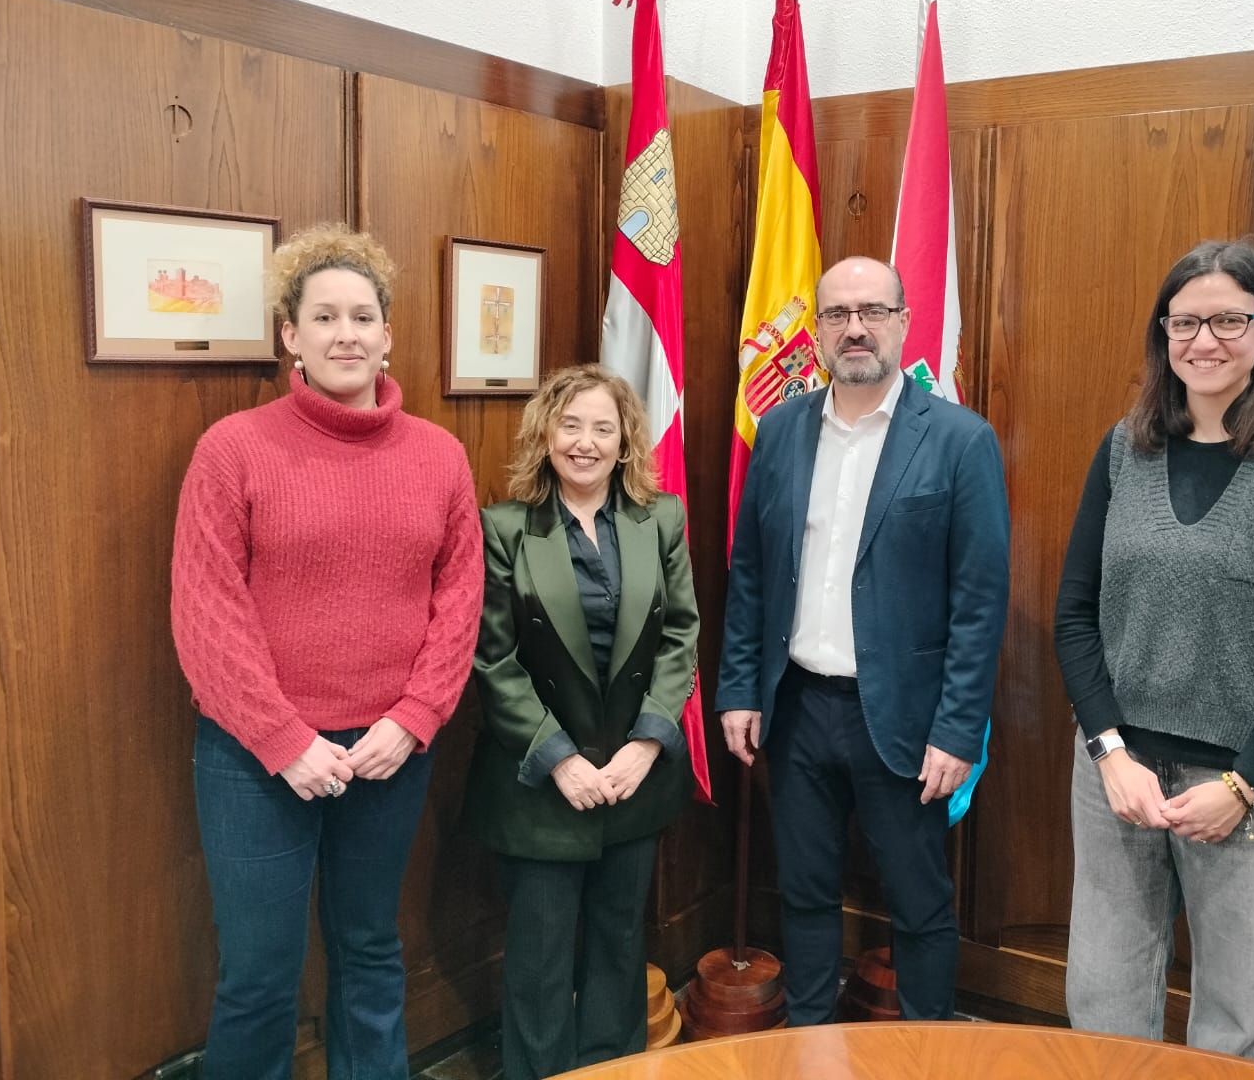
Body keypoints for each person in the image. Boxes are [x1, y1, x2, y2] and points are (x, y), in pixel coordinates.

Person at [171, 224, 484, 1078]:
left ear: (388, 333)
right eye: (324, 317)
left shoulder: (440, 456)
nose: (345, 333)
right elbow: (207, 615)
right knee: (259, 979)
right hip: (254, 761)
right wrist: (285, 741)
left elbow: (459, 601)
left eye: (362, 316)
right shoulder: (233, 449)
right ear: (290, 337)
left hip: (389, 754)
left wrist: (415, 719)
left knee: (371, 956)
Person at [1053, 238, 1254, 1063]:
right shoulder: (1126, 448)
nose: (1205, 341)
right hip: (1118, 779)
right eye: (1185, 321)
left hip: (1252, 792)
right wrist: (1109, 752)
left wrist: (1246, 780)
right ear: (1164, 335)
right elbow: (1074, 615)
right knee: (1104, 1010)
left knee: (1235, 1028)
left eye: (1229, 320)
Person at [716, 256, 1011, 1024]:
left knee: (919, 906)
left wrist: (958, 732)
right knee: (805, 894)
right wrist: (740, 688)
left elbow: (980, 604)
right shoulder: (779, 432)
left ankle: (926, 1058)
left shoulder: (958, 441)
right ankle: (808, 1050)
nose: (855, 328)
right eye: (839, 314)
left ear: (903, 324)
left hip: (907, 722)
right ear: (816, 331)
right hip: (798, 708)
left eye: (873, 311)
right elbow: (750, 573)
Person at [460, 363, 699, 1080]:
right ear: (546, 434)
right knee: (538, 957)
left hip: (634, 778)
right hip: (539, 784)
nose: (586, 442)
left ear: (626, 440)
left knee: (620, 946)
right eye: (571, 425)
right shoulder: (504, 529)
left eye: (603, 427)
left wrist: (647, 746)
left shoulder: (661, 519)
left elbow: (681, 635)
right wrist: (559, 758)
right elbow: (491, 659)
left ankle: (612, 1070)